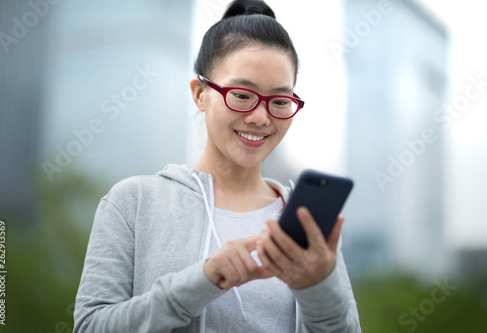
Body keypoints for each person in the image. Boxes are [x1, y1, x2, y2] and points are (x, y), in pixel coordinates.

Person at [73, 0, 361, 332]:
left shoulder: (304, 219)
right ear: (200, 93)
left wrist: (318, 290)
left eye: (280, 101)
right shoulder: (133, 203)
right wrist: (204, 279)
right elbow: (90, 326)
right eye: (242, 94)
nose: (260, 117)